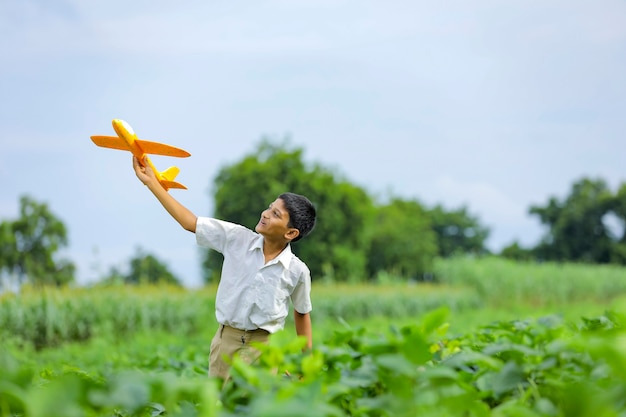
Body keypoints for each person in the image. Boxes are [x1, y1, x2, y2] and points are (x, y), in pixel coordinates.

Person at [132, 156, 316, 381]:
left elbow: (301, 313)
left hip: (264, 346)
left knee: (249, 408)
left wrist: (304, 366)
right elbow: (190, 222)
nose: (266, 214)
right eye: (270, 208)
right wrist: (152, 182)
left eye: (276, 214)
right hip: (224, 340)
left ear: (290, 233)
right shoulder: (236, 238)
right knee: (218, 406)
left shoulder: (297, 271)